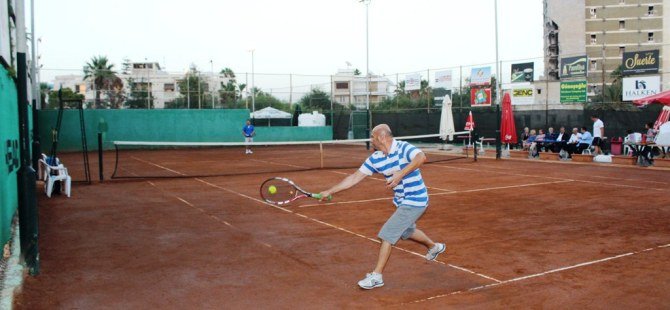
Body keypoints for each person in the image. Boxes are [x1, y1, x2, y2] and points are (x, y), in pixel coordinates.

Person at [318, 124, 445, 290]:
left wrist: (400, 174)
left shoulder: (403, 147)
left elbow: (421, 157)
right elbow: (355, 177)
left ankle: (377, 276)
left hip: (416, 199)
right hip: (401, 201)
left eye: (372, 137)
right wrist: (330, 190)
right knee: (406, 231)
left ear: (382, 137)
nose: (371, 140)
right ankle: (434, 247)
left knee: (387, 234)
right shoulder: (376, 158)